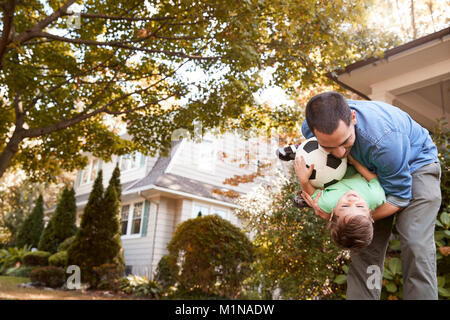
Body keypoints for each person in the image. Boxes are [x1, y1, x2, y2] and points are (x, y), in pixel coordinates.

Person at [298, 91, 441, 300]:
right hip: (365, 172)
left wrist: (355, 215)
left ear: (353, 119)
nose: (338, 153)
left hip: (414, 166)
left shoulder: (384, 139)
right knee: (364, 245)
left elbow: (399, 197)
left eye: (345, 142)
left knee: (415, 242)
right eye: (329, 146)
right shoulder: (311, 127)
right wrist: (345, 216)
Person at [294, 153, 385, 251]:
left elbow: (310, 195)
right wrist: (354, 161)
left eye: (345, 206)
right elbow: (373, 179)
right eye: (360, 206)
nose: (353, 200)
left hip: (326, 167)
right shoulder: (375, 196)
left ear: (332, 213)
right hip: (357, 162)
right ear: (370, 215)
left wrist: (303, 181)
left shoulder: (327, 204)